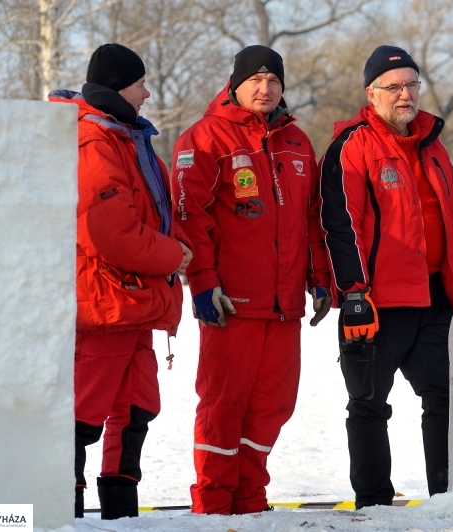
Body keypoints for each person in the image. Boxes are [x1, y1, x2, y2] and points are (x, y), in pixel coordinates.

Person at [171, 45, 331, 515]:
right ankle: (213, 504)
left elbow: (312, 218)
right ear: (235, 85)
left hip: (284, 306)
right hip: (230, 304)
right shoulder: (205, 138)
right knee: (224, 405)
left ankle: (249, 499)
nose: (265, 89)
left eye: (274, 81)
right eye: (256, 80)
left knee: (274, 405)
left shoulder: (298, 142)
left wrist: (320, 277)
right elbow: (189, 218)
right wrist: (203, 282)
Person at [319, 45, 453, 509]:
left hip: (435, 299)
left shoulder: (434, 145)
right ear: (371, 93)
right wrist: (354, 294)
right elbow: (341, 225)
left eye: (411, 84)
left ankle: (448, 499)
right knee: (368, 403)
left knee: (446, 398)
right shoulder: (352, 146)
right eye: (394, 87)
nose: (405, 94)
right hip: (377, 303)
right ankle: (373, 504)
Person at [49, 43, 193, 520]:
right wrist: (174, 255)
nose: (147, 94)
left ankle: (121, 514)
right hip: (106, 304)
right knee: (80, 419)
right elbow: (113, 235)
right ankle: (63, 514)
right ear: (116, 89)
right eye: (140, 85)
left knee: (136, 412)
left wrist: (175, 248)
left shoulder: (126, 137)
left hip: (136, 302)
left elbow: (153, 214)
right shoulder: (94, 142)